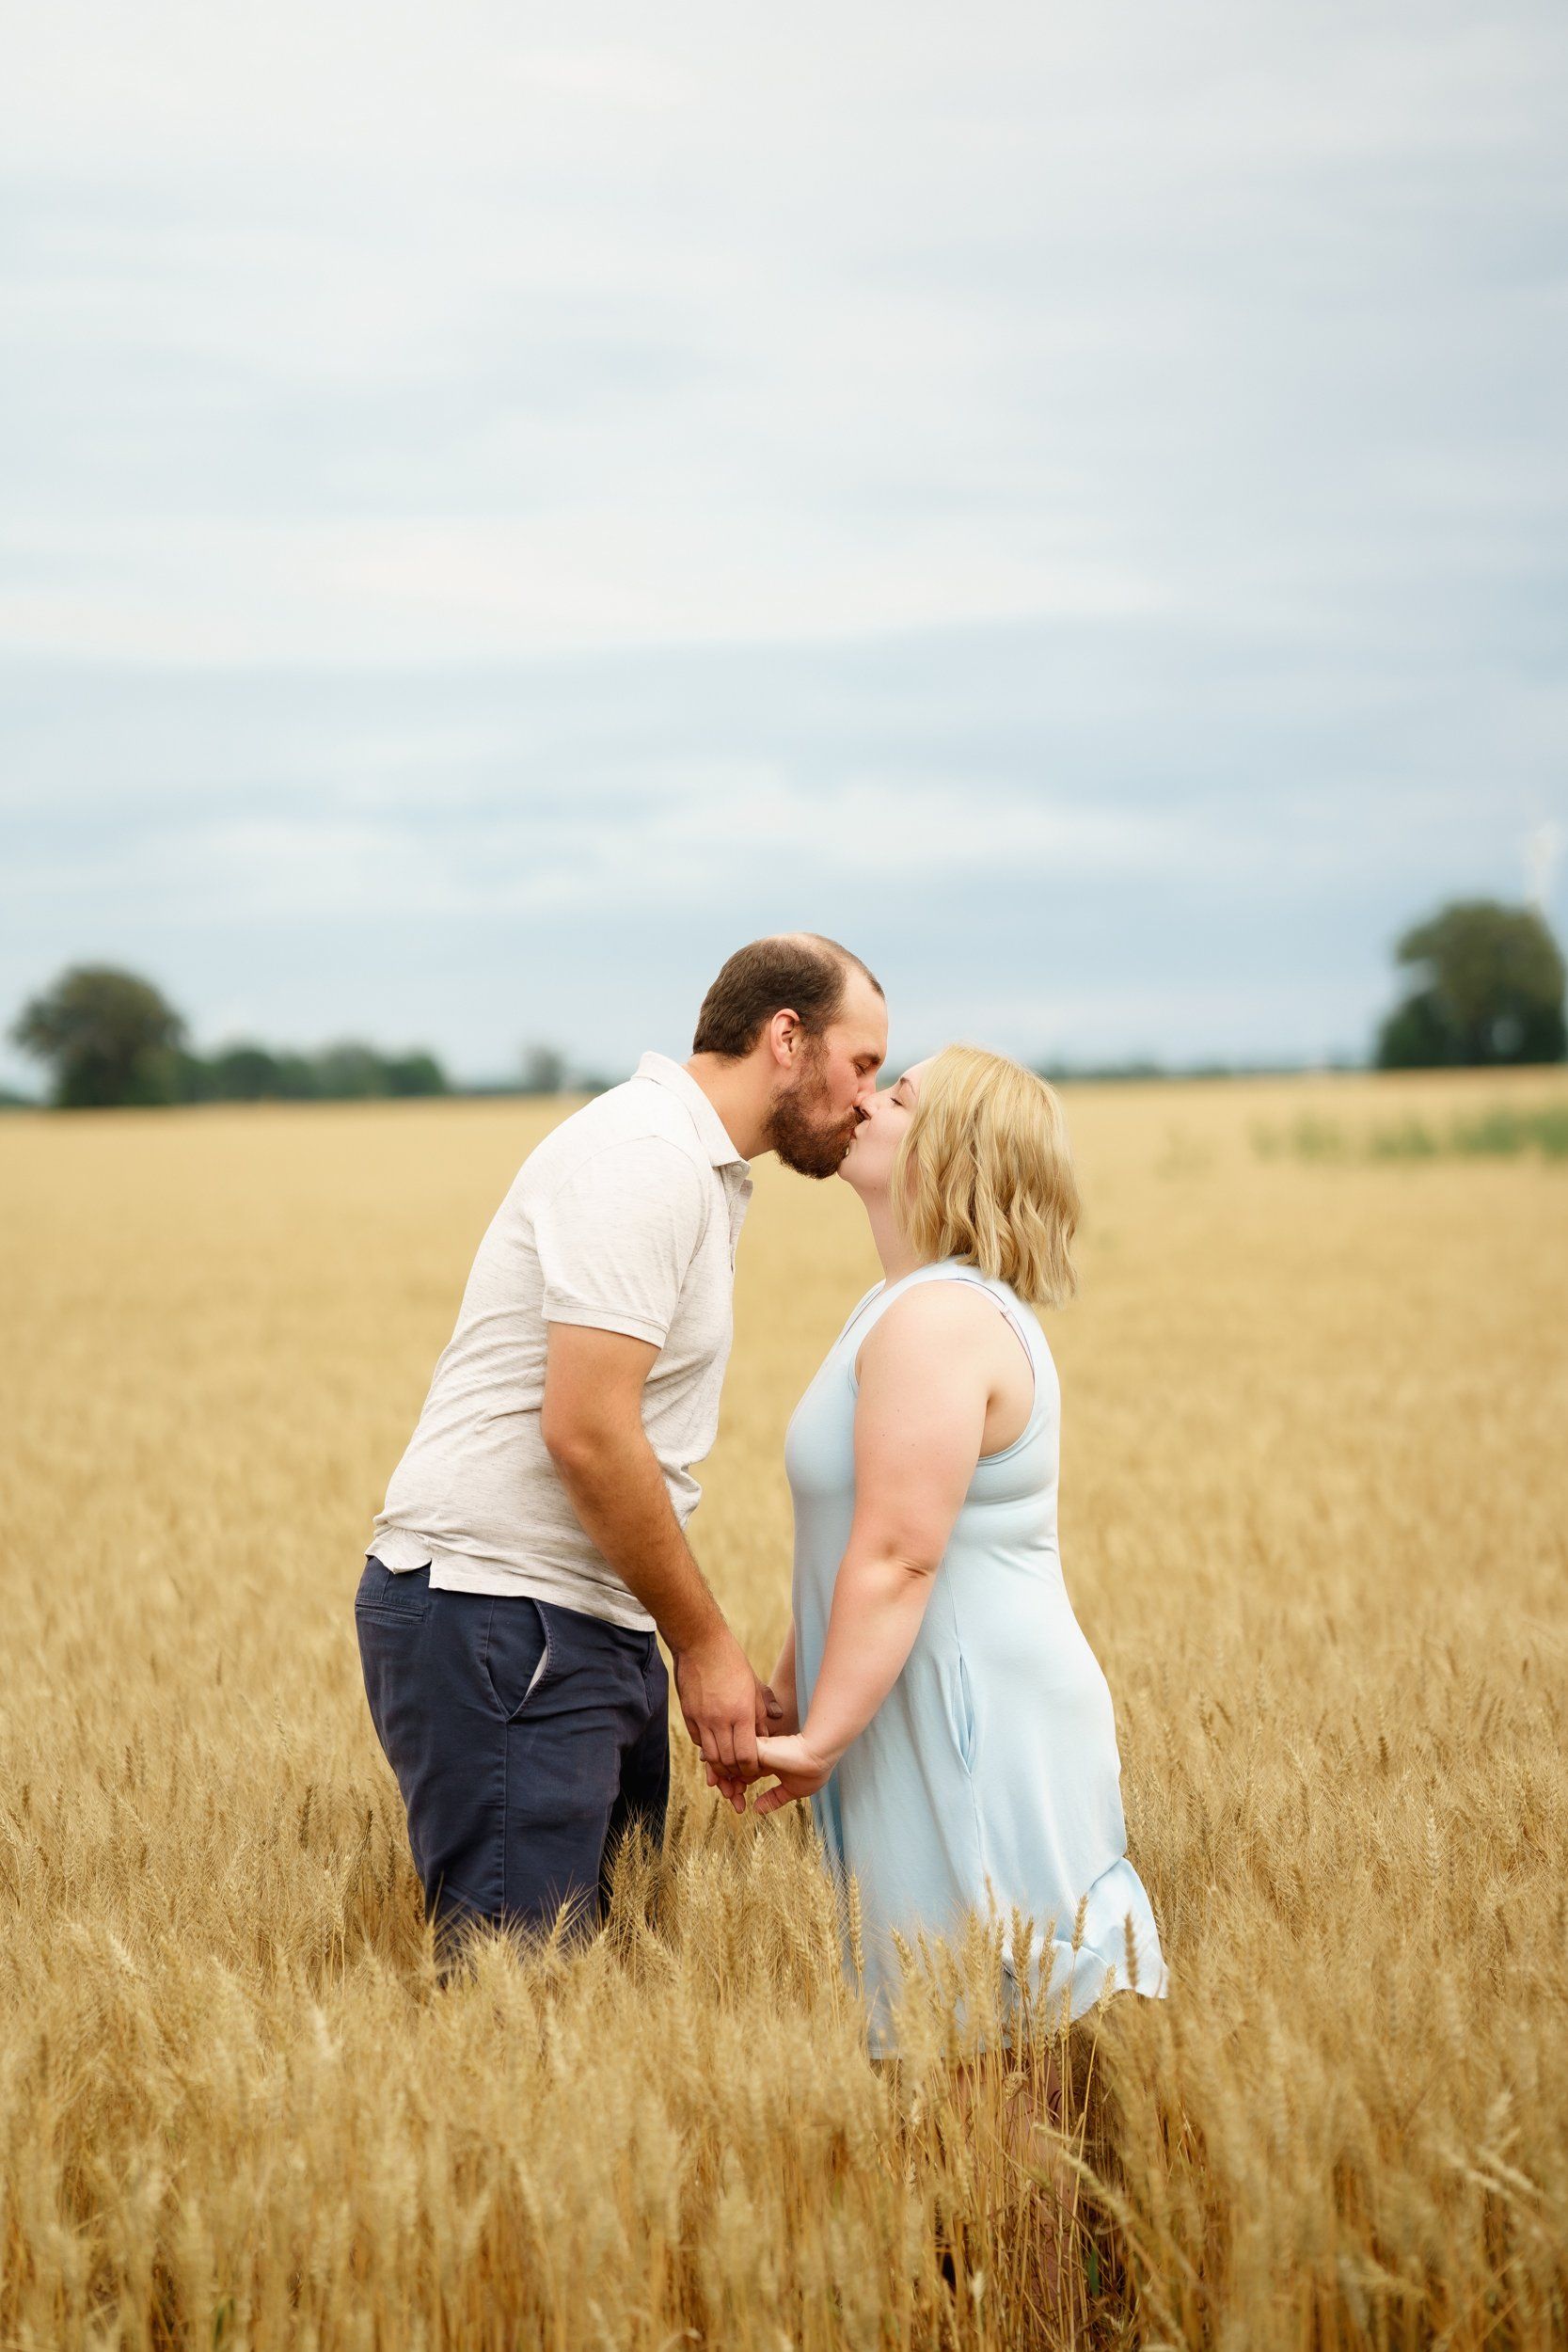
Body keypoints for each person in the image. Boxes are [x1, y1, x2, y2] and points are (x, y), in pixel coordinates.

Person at [355, 934, 887, 1958]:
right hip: (504, 1615)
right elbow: (589, 1430)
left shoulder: (695, 1164)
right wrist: (703, 1644)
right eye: (860, 1063)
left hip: (572, 1619)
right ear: (786, 1036)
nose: (867, 1096)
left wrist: (673, 1641)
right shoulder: (646, 1158)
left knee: (599, 1992)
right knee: (523, 2002)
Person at [745, 1044, 1168, 2058]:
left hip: (967, 1713)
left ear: (951, 1151)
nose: (863, 1100)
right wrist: (790, 1687)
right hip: (900, 1696)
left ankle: (1029, 2226)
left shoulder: (938, 1319)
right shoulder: (896, 1305)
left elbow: (897, 1555)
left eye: (896, 1095)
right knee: (949, 2031)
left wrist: (817, 1738)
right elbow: (853, 1534)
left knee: (986, 2038)